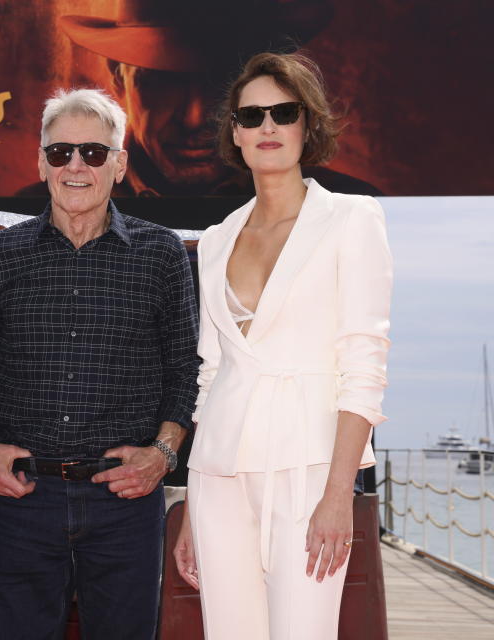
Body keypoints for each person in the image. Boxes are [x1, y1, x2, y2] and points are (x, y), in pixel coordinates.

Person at [173, 52, 392, 639]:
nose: (267, 127)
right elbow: (210, 374)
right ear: (236, 134)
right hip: (219, 474)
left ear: (306, 124)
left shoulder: (351, 219)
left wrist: (340, 493)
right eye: (252, 116)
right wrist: (193, 505)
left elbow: (364, 363)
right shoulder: (217, 241)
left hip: (309, 469)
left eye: (283, 111)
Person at [0, 88, 199, 639]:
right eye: (60, 152)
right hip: (22, 499)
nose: (76, 166)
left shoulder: (162, 254)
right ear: (40, 161)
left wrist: (162, 455)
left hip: (126, 501)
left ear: (119, 165)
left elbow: (185, 375)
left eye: (93, 153)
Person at [54, 0, 382, 197]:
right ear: (117, 76)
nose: (194, 118)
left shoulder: (349, 208)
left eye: (222, 81)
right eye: (164, 82)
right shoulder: (46, 210)